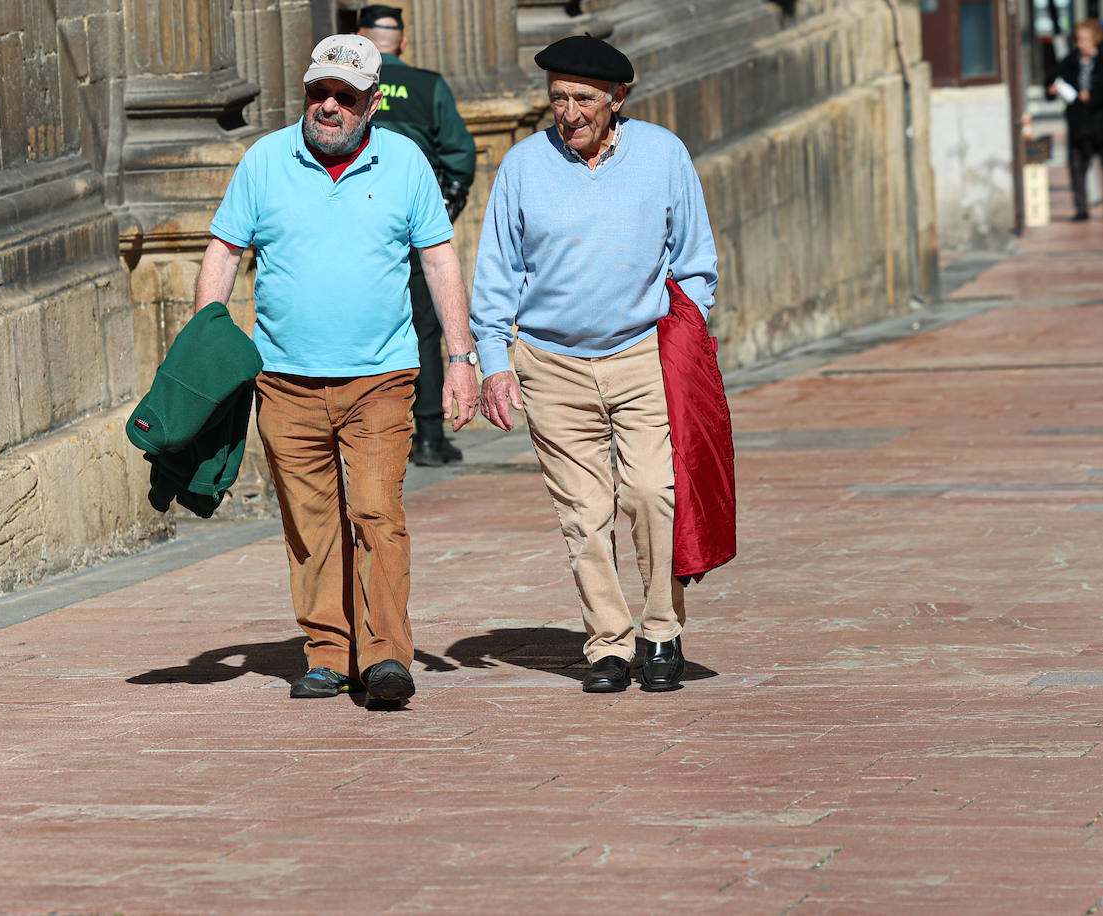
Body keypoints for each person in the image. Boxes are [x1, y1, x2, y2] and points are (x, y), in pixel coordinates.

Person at [194, 34, 479, 706]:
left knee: (377, 514)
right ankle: (328, 654)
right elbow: (225, 250)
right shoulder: (265, 161)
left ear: (372, 102)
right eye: (318, 93)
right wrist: (204, 345)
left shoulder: (405, 162)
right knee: (310, 523)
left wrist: (463, 360)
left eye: (344, 97)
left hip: (379, 380)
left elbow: (439, 261)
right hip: (285, 381)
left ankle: (383, 658)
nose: (327, 106)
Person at [471, 35, 719, 694]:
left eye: (583, 98)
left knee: (651, 491)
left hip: (641, 351)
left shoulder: (663, 155)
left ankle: (662, 629)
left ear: (618, 98)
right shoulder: (523, 167)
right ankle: (609, 642)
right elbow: (497, 269)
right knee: (584, 513)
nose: (569, 112)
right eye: (558, 98)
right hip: (550, 362)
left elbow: (695, 259)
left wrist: (687, 332)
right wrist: (494, 361)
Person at [356, 4, 478, 466]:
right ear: (402, 42)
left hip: (353, 220)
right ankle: (428, 434)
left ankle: (368, 430)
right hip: (410, 221)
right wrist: (442, 212)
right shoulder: (428, 85)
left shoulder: (342, 88)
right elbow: (460, 155)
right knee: (424, 323)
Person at [1051, 18, 1103, 221]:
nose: (1080, 44)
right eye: (1077, 39)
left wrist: (1093, 95)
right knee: (1077, 166)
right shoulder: (1071, 61)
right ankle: (1081, 209)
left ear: (1094, 39)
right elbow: (1054, 78)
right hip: (1080, 123)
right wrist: (1052, 89)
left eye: (1083, 39)